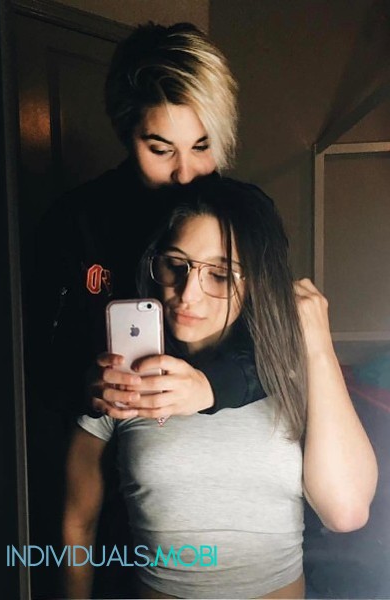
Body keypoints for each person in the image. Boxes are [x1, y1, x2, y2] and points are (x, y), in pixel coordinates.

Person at [63, 178, 378, 599]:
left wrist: (317, 344)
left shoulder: (290, 375)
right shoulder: (123, 378)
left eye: (219, 274)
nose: (187, 294)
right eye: (176, 264)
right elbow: (77, 522)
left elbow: (346, 511)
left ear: (255, 284)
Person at [26, 22, 271, 422]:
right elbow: (38, 357)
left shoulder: (248, 216)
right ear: (127, 135)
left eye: (202, 146)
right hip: (110, 436)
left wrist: (210, 385)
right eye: (161, 149)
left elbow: (282, 344)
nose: (185, 174)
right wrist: (85, 385)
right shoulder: (75, 221)